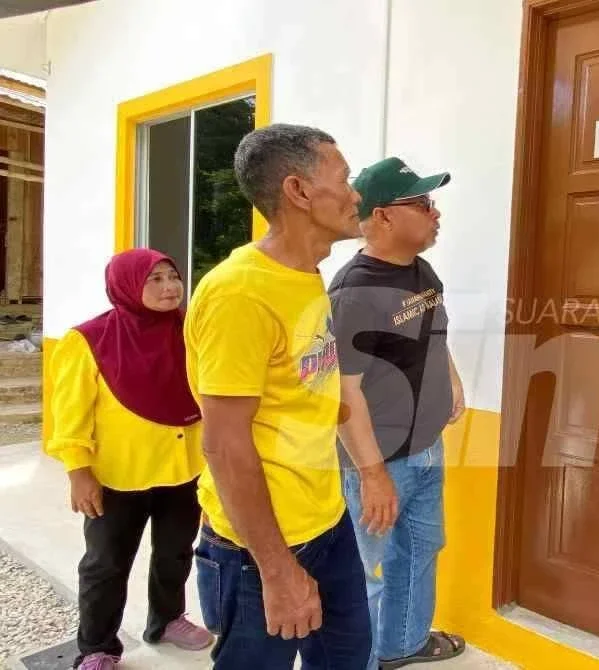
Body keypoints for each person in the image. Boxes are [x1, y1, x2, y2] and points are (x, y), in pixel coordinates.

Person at [182, 123, 370, 669]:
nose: (356, 193)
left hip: (328, 523)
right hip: (257, 550)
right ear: (299, 191)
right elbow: (225, 445)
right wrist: (278, 570)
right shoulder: (238, 293)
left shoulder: (307, 276)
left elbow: (304, 389)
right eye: (345, 177)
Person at [327, 156, 467, 669]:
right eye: (424, 203)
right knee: (362, 572)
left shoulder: (421, 270)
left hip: (426, 447)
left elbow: (434, 333)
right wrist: (372, 476)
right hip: (378, 462)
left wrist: (450, 380)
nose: (436, 213)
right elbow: (343, 395)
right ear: (384, 216)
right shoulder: (352, 293)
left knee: (420, 551)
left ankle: (401, 645)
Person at [47, 248, 214, 670]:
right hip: (118, 476)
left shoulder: (192, 330)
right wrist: (78, 471)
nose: (169, 287)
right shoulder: (88, 340)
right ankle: (98, 647)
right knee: (105, 564)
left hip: (184, 468)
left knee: (176, 552)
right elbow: (70, 414)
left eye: (172, 276)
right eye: (153, 279)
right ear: (126, 286)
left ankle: (167, 619)